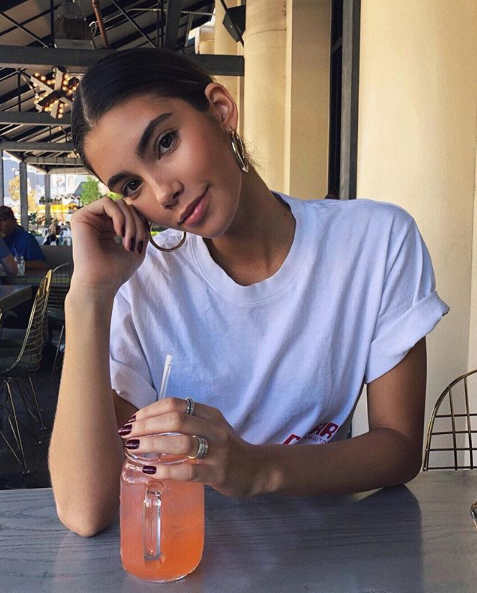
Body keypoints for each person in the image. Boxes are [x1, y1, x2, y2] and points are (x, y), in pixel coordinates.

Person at [49, 48, 449, 537]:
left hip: (329, 545)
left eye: (166, 142)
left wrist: (258, 469)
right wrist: (88, 297)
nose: (163, 191)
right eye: (132, 186)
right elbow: (85, 510)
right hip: (187, 550)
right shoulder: (141, 283)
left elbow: (400, 447)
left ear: (220, 110)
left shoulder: (375, 241)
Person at [0, 206, 47, 271]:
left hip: (20, 276)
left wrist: (18, 264)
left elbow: (42, 265)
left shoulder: (26, 239)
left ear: (13, 221)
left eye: (2, 220)